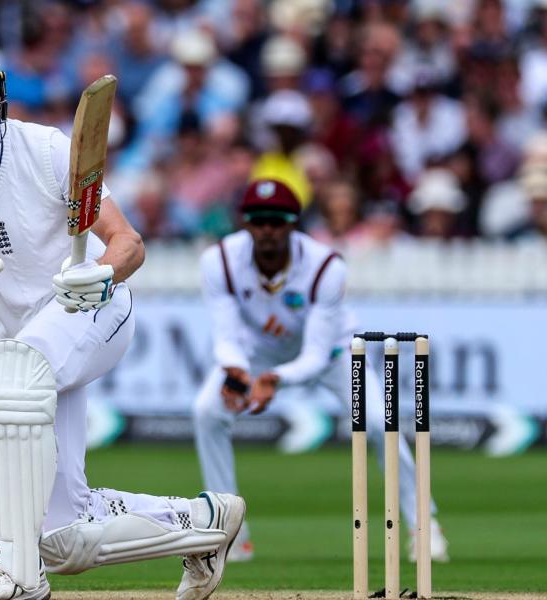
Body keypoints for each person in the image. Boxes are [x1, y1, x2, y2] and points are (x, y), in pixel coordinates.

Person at [0, 39, 246, 600]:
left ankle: (7, 572)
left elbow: (128, 243)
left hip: (95, 311)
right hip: (28, 345)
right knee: (62, 536)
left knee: (7, 379)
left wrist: (103, 273)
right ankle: (201, 524)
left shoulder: (47, 148)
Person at [192, 178, 449, 563]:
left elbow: (313, 356)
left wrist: (275, 380)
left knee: (379, 423)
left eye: (276, 221)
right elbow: (226, 335)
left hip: (332, 355)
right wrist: (237, 373)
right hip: (257, 354)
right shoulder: (220, 261)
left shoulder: (325, 266)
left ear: (294, 222)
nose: (267, 230)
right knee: (206, 411)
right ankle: (230, 534)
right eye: (258, 220)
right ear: (245, 222)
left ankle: (423, 527)